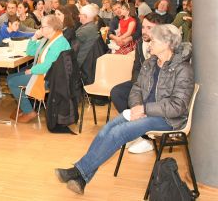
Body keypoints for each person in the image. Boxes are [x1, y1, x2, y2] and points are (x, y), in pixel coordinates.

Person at [56, 24, 193, 195]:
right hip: (144, 111)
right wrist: (136, 106)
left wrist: (145, 108)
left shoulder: (183, 69)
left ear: (167, 43)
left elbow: (177, 106)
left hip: (167, 119)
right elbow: (136, 88)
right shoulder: (151, 63)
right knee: (107, 129)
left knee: (118, 133)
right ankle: (81, 178)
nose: (149, 44)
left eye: (154, 41)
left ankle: (79, 171)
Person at [109, 13, 165, 154]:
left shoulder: (165, 46)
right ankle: (137, 134)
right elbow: (136, 68)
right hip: (142, 82)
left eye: (149, 28)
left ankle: (145, 136)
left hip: (159, 87)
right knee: (117, 92)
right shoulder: (140, 43)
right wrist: (137, 86)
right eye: (144, 27)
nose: (144, 31)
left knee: (143, 98)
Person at [7, 15, 72, 123]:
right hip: (47, 73)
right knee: (10, 77)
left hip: (49, 78)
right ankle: (24, 106)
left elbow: (47, 65)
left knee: (13, 81)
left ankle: (28, 111)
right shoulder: (49, 39)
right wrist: (34, 38)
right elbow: (30, 52)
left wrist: (32, 70)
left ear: (51, 28)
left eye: (42, 27)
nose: (40, 29)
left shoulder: (58, 43)